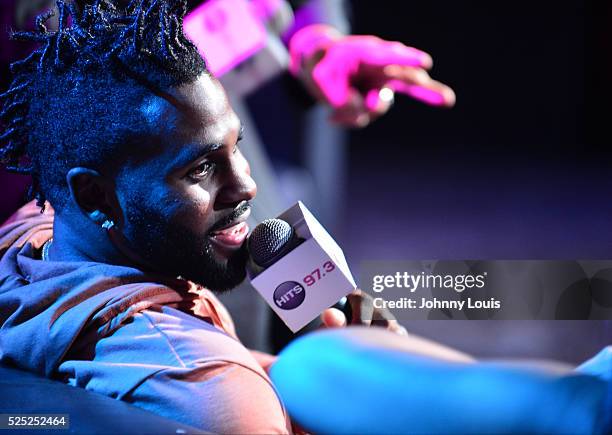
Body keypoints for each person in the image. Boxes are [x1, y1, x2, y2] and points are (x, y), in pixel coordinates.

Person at [0, 1, 403, 432]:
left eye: (238, 147)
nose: (247, 186)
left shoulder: (35, 233)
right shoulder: (219, 391)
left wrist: (299, 378)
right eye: (202, 169)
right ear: (94, 196)